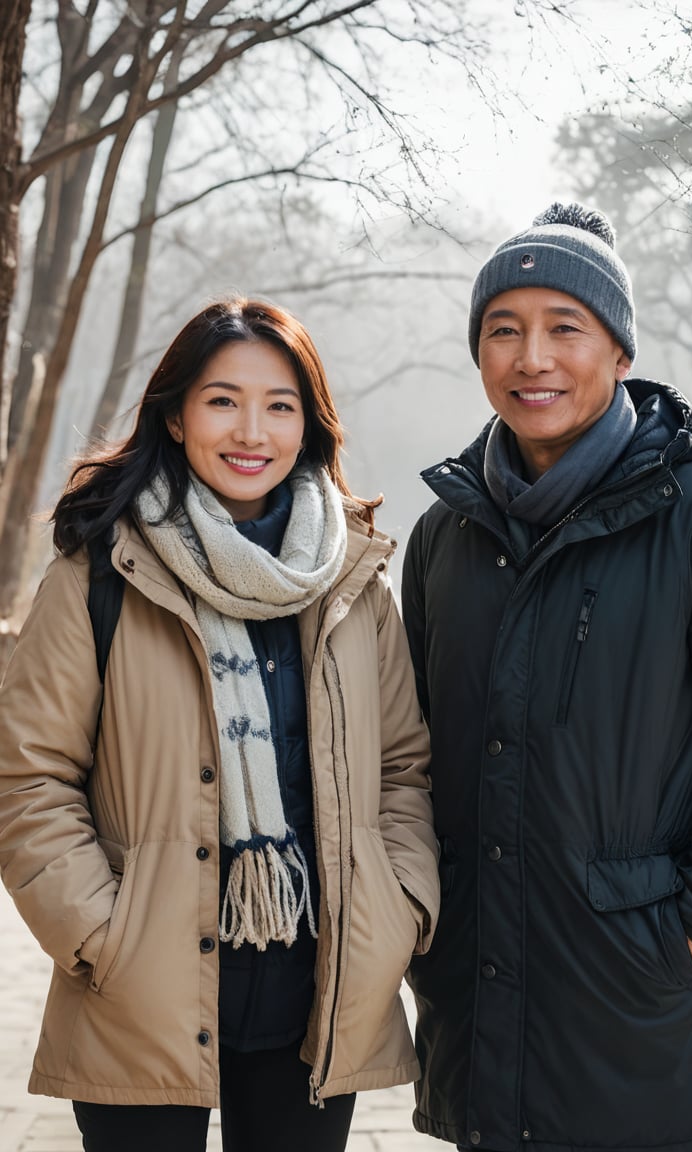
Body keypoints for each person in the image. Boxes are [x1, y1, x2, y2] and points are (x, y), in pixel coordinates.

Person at [0, 298, 439, 1152]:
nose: (253, 431)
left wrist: (398, 910)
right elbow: (29, 775)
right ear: (174, 415)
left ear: (309, 425)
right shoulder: (104, 567)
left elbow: (403, 772)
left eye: (280, 405)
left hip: (323, 985)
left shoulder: (353, 580)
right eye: (222, 400)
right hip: (141, 983)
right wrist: (102, 934)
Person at [401, 202, 692, 1152]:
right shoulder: (446, 535)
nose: (533, 359)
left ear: (620, 352)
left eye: (566, 328)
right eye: (503, 331)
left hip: (634, 1004)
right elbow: (416, 747)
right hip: (478, 1002)